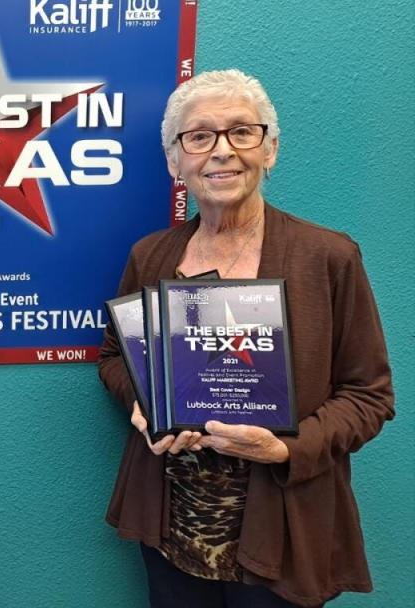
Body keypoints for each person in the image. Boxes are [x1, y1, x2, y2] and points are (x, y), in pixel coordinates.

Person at [98, 70, 394, 607]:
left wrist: (286, 447)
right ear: (175, 160)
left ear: (270, 149)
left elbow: (369, 395)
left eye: (242, 132)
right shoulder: (152, 256)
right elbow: (115, 356)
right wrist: (143, 405)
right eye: (199, 136)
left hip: (279, 535)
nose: (221, 151)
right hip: (171, 530)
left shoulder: (328, 258)